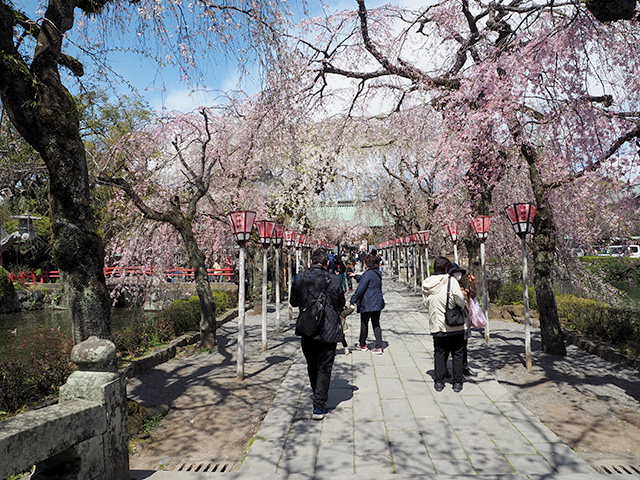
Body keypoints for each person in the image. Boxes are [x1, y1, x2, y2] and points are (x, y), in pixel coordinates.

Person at [290, 249, 345, 420]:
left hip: (308, 329)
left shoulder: (299, 278)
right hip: (328, 329)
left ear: (311, 261)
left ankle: (317, 395)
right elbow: (340, 303)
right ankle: (319, 406)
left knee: (312, 365)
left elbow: (293, 302)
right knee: (325, 367)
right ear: (326, 263)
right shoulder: (334, 279)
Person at [422, 256, 466, 393]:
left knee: (439, 353)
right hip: (454, 324)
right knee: (458, 353)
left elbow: (425, 303)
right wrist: (462, 307)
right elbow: (460, 300)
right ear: (447, 268)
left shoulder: (426, 283)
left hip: (436, 324)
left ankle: (439, 382)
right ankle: (457, 382)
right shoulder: (451, 281)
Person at [350, 254, 385, 354]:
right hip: (377, 302)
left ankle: (362, 344)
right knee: (376, 324)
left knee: (364, 324)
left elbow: (361, 288)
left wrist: (353, 299)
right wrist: (356, 276)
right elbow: (367, 280)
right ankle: (379, 346)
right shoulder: (377, 273)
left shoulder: (368, 274)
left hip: (368, 303)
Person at [446, 263, 477, 378]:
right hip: (452, 316)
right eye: (455, 272)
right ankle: (445, 368)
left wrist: (472, 283)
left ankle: (464, 366)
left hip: (464, 316)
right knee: (449, 345)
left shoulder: (462, 284)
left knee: (464, 345)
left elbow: (472, 295)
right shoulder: (448, 285)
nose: (458, 274)